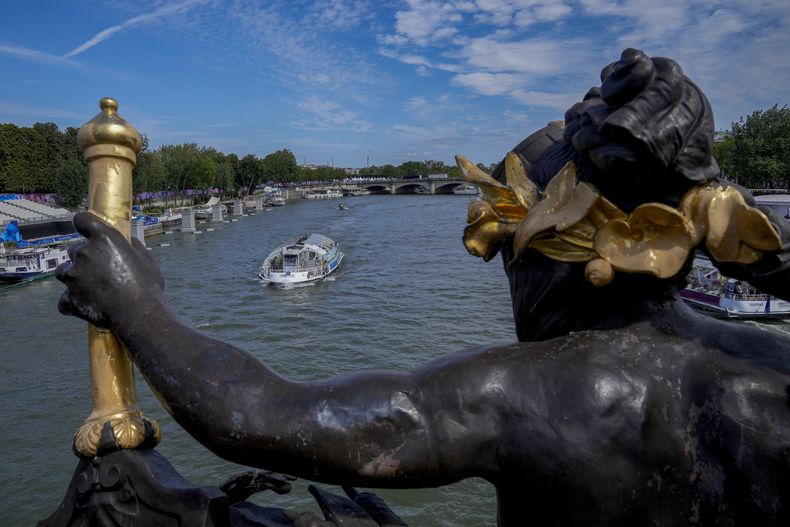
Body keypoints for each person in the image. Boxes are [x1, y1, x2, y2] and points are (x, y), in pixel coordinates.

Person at [56, 50, 790, 526]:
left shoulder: (527, 391)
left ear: (567, 233)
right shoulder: (766, 371)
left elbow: (253, 413)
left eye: (506, 243)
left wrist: (135, 301)